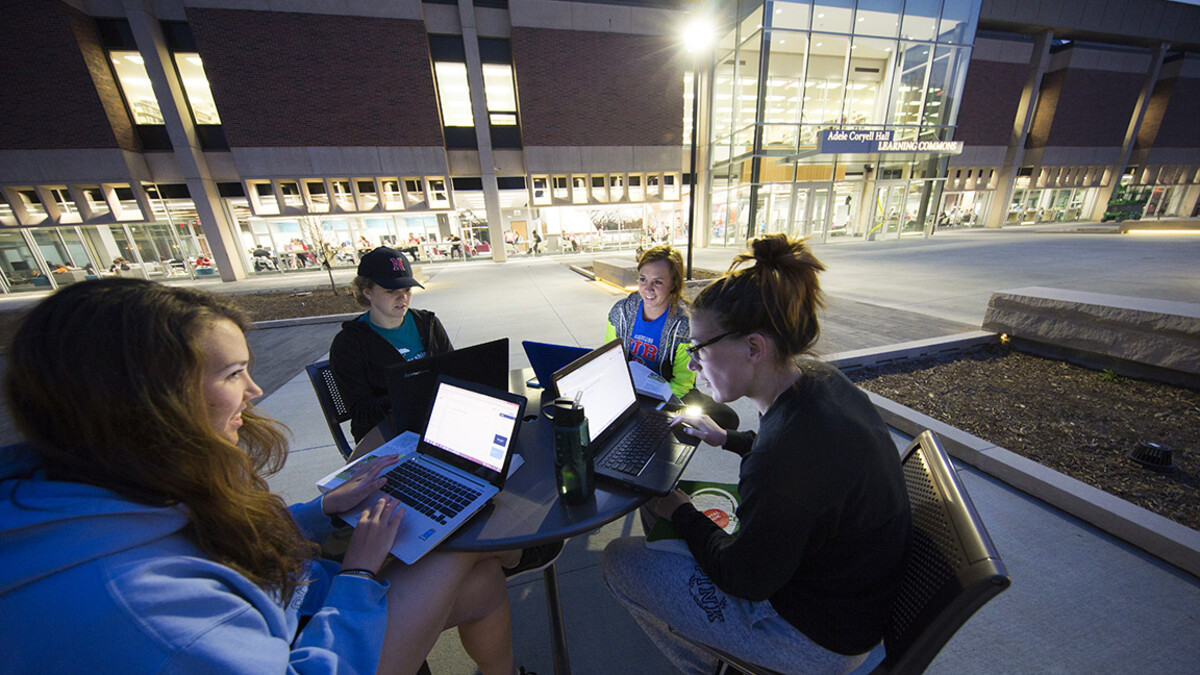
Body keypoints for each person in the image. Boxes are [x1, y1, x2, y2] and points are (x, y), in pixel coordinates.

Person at [0, 278, 533, 674]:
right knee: (462, 547)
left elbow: (215, 539)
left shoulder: (97, 482)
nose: (255, 392)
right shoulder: (145, 609)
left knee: (483, 580)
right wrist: (358, 576)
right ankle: (510, 549)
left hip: (295, 602)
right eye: (234, 374)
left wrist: (317, 512)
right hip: (312, 640)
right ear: (144, 402)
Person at [600, 234, 912, 675]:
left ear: (753, 347)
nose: (692, 364)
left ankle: (712, 667)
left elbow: (743, 579)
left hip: (811, 638)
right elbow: (790, 457)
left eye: (700, 348)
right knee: (668, 515)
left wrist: (685, 512)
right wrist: (728, 439)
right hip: (845, 595)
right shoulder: (819, 382)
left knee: (618, 559)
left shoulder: (781, 463)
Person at [605, 244, 738, 431]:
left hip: (667, 392)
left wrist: (653, 404)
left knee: (727, 418)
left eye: (657, 282)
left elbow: (682, 383)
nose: (648, 289)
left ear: (674, 283)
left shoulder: (685, 323)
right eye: (643, 279)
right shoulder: (621, 311)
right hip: (628, 390)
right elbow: (610, 360)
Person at [329, 247, 451, 443]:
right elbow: (360, 412)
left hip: (435, 421)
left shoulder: (427, 323)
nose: (402, 297)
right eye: (391, 291)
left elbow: (453, 370)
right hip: (386, 434)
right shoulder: (349, 343)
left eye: (406, 290)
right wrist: (406, 396)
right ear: (367, 292)